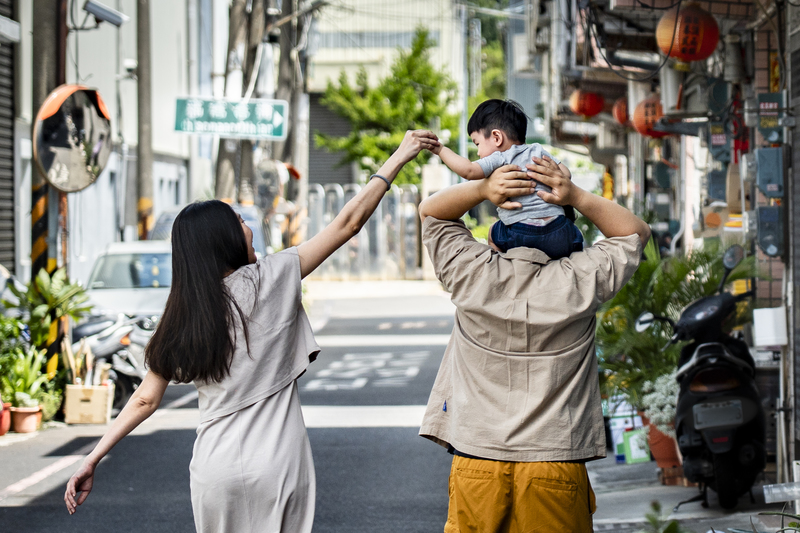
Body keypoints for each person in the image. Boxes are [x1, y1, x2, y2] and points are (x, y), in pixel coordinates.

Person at [64, 130, 440, 532]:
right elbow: (348, 223)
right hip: (277, 464)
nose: (247, 225)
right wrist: (399, 156)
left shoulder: (182, 314)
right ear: (225, 238)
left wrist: (92, 458)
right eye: (239, 221)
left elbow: (143, 401)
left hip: (214, 469)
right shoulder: (274, 277)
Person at [417, 154, 651, 532]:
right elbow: (634, 233)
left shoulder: (470, 272)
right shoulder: (582, 278)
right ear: (569, 236)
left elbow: (432, 212)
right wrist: (575, 195)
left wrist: (483, 187)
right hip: (554, 461)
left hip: (478, 459)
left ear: (497, 235)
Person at [428, 99, 583, 258]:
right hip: (559, 230)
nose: (479, 153)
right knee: (576, 237)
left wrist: (440, 149)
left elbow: (468, 170)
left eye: (477, 144)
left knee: (493, 233)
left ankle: (505, 266)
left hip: (521, 233)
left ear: (496, 137)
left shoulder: (500, 157)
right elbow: (566, 174)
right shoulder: (538, 150)